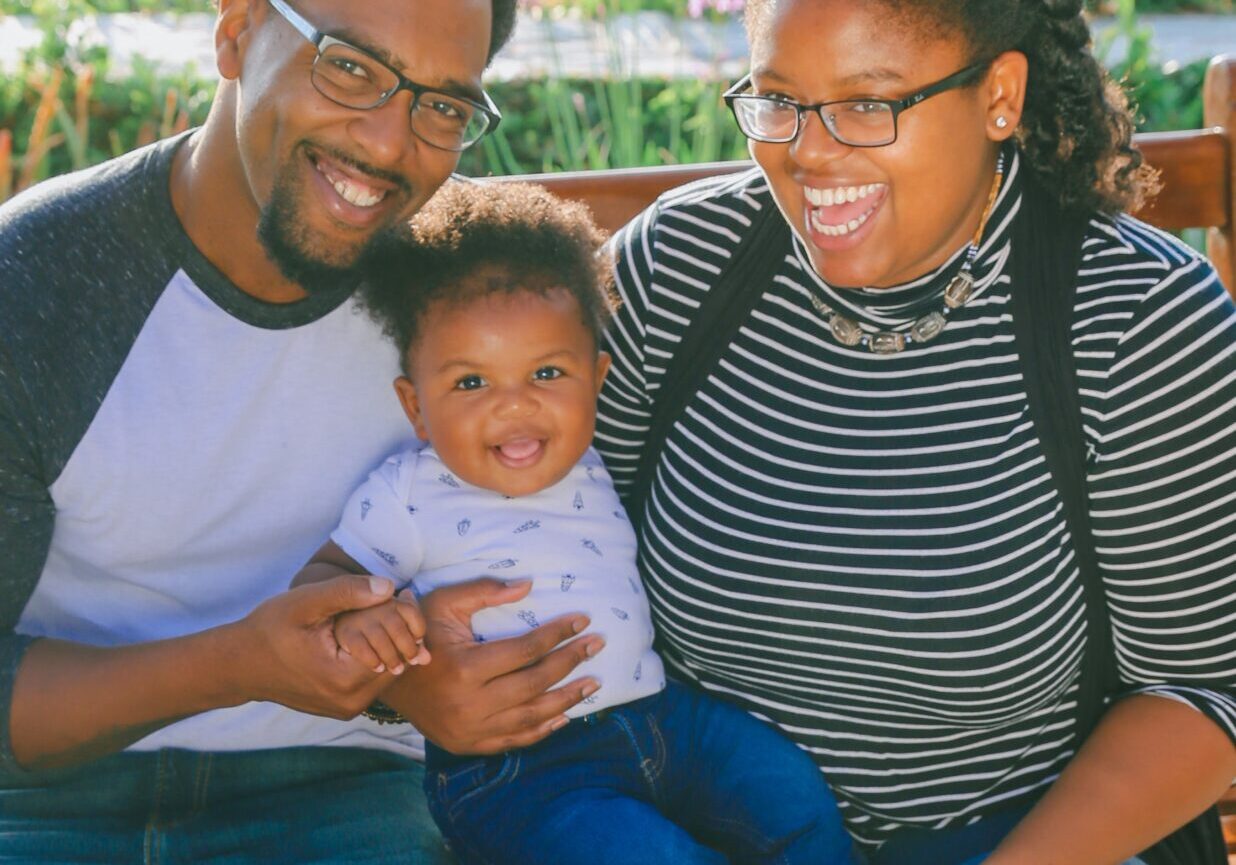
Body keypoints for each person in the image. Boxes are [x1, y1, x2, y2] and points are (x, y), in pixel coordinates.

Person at [582, 0, 1236, 862]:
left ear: (1000, 95)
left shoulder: (1135, 322)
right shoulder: (679, 267)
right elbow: (550, 530)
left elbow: (1199, 690)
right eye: (779, 99)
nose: (808, 151)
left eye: (867, 104)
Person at [0, 1, 601, 861]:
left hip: (350, 789)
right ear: (237, 29)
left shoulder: (474, 295)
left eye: (442, 106)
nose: (389, 145)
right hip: (47, 799)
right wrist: (238, 663)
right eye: (349, 66)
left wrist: (417, 686)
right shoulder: (36, 280)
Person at [292, 179, 863, 865]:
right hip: (523, 769)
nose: (514, 406)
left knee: (790, 796)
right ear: (416, 407)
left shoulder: (594, 457)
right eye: (471, 383)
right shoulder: (409, 493)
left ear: (596, 378)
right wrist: (366, 623)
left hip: (661, 719)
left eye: (547, 372)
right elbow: (320, 585)